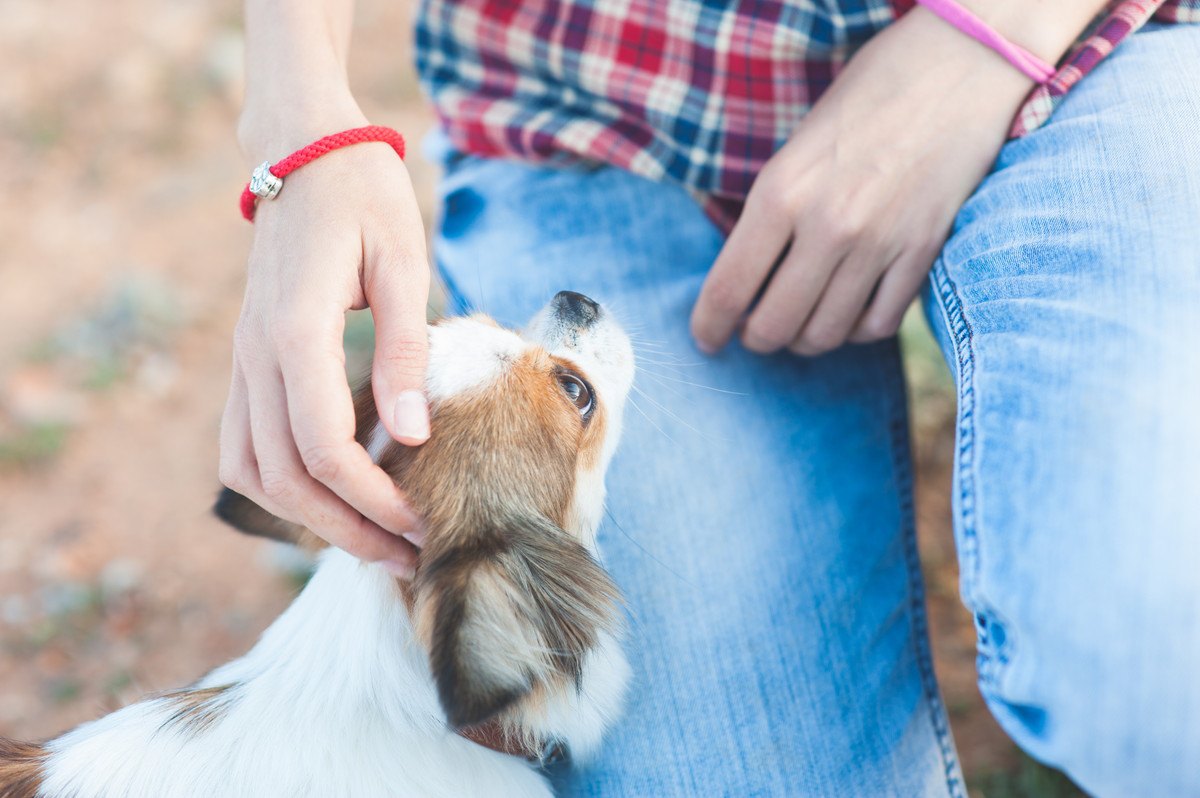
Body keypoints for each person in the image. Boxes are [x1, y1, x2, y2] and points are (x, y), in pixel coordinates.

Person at [219, 0, 1200, 793]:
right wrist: (304, 122)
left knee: (1147, 671)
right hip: (607, 106)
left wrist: (992, 29)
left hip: (1091, 47)